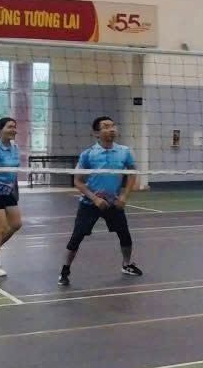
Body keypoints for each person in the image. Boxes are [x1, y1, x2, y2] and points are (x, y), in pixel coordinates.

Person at [58, 116, 142, 286]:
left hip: (114, 203)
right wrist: (94, 198)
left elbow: (132, 173)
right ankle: (65, 270)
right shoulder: (88, 154)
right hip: (90, 204)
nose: (111, 129)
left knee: (125, 235)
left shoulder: (124, 151)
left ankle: (127, 264)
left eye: (113, 126)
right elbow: (78, 181)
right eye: (105, 127)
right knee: (77, 237)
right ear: (97, 133)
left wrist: (124, 196)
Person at [0, 117, 22, 278]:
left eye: (15, 127)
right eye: (10, 127)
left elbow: (13, 173)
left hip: (8, 192)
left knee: (15, 224)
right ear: (0, 130)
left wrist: (16, 191)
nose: (14, 129)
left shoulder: (15, 148)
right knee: (0, 230)